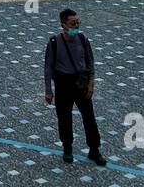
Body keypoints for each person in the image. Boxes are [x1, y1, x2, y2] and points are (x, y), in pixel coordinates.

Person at [43, 9, 105, 165]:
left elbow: (90, 62)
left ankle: (94, 150)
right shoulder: (54, 43)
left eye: (78, 22)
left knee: (89, 118)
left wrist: (91, 83)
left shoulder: (83, 39)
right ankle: (67, 148)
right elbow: (48, 68)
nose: (76, 25)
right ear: (63, 24)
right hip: (63, 84)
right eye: (72, 23)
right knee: (64, 118)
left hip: (81, 83)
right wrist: (48, 90)